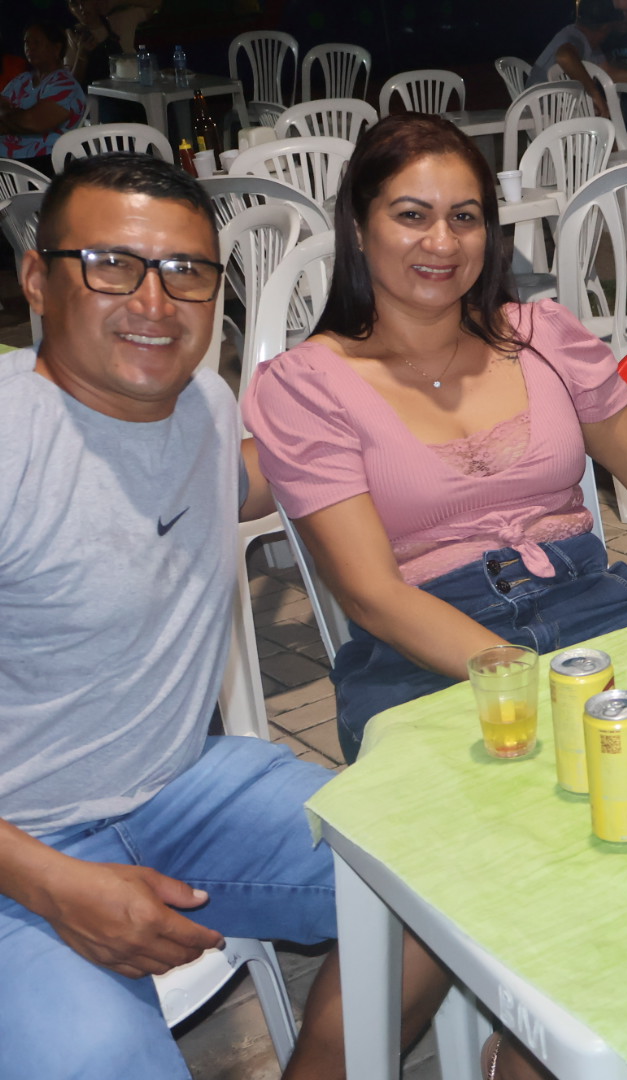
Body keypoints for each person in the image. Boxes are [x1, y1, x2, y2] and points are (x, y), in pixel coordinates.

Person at [0, 152, 448, 1078]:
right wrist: (51, 883)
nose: (155, 303)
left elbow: (253, 478)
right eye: (112, 265)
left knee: (448, 876)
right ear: (39, 280)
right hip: (18, 844)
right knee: (98, 1061)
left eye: (187, 273)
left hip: (181, 786)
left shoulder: (200, 404)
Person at [242, 114, 627, 764]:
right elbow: (373, 593)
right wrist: (536, 688)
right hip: (420, 648)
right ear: (360, 229)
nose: (442, 242)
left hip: (592, 603)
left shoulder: (543, 336)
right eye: (412, 215)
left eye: (465, 217)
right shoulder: (310, 384)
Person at [529, 0, 627, 150]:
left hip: (565, 111)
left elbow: (609, 73)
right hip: (546, 112)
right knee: (625, 130)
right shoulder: (574, 37)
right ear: (605, 28)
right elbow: (564, 56)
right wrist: (595, 93)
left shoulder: (590, 43)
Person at [0, 21, 87, 172]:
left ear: (56, 48)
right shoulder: (22, 80)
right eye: (27, 42)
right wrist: (14, 119)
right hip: (8, 160)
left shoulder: (65, 85)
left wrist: (7, 117)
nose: (30, 47)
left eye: (36, 42)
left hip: (39, 163)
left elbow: (31, 123)